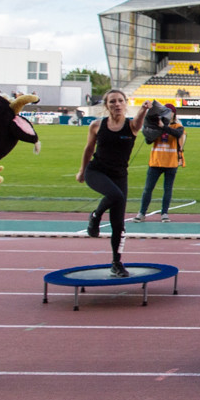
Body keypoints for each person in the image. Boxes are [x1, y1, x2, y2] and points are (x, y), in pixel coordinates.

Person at [76, 90, 151, 277]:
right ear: (106, 105)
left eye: (120, 101)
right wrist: (81, 171)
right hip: (96, 171)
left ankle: (116, 263)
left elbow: (139, 121)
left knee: (118, 224)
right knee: (115, 196)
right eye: (112, 101)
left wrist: (143, 109)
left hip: (119, 175)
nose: (116, 104)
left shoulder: (132, 126)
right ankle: (95, 216)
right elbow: (88, 149)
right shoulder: (96, 125)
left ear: (125, 103)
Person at [135, 103, 185, 222]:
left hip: (171, 163)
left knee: (167, 189)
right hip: (155, 162)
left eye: (169, 111)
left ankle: (164, 213)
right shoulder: (157, 125)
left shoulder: (178, 126)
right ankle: (142, 213)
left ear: (173, 113)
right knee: (148, 189)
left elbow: (178, 134)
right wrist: (150, 130)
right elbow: (148, 141)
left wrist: (163, 127)